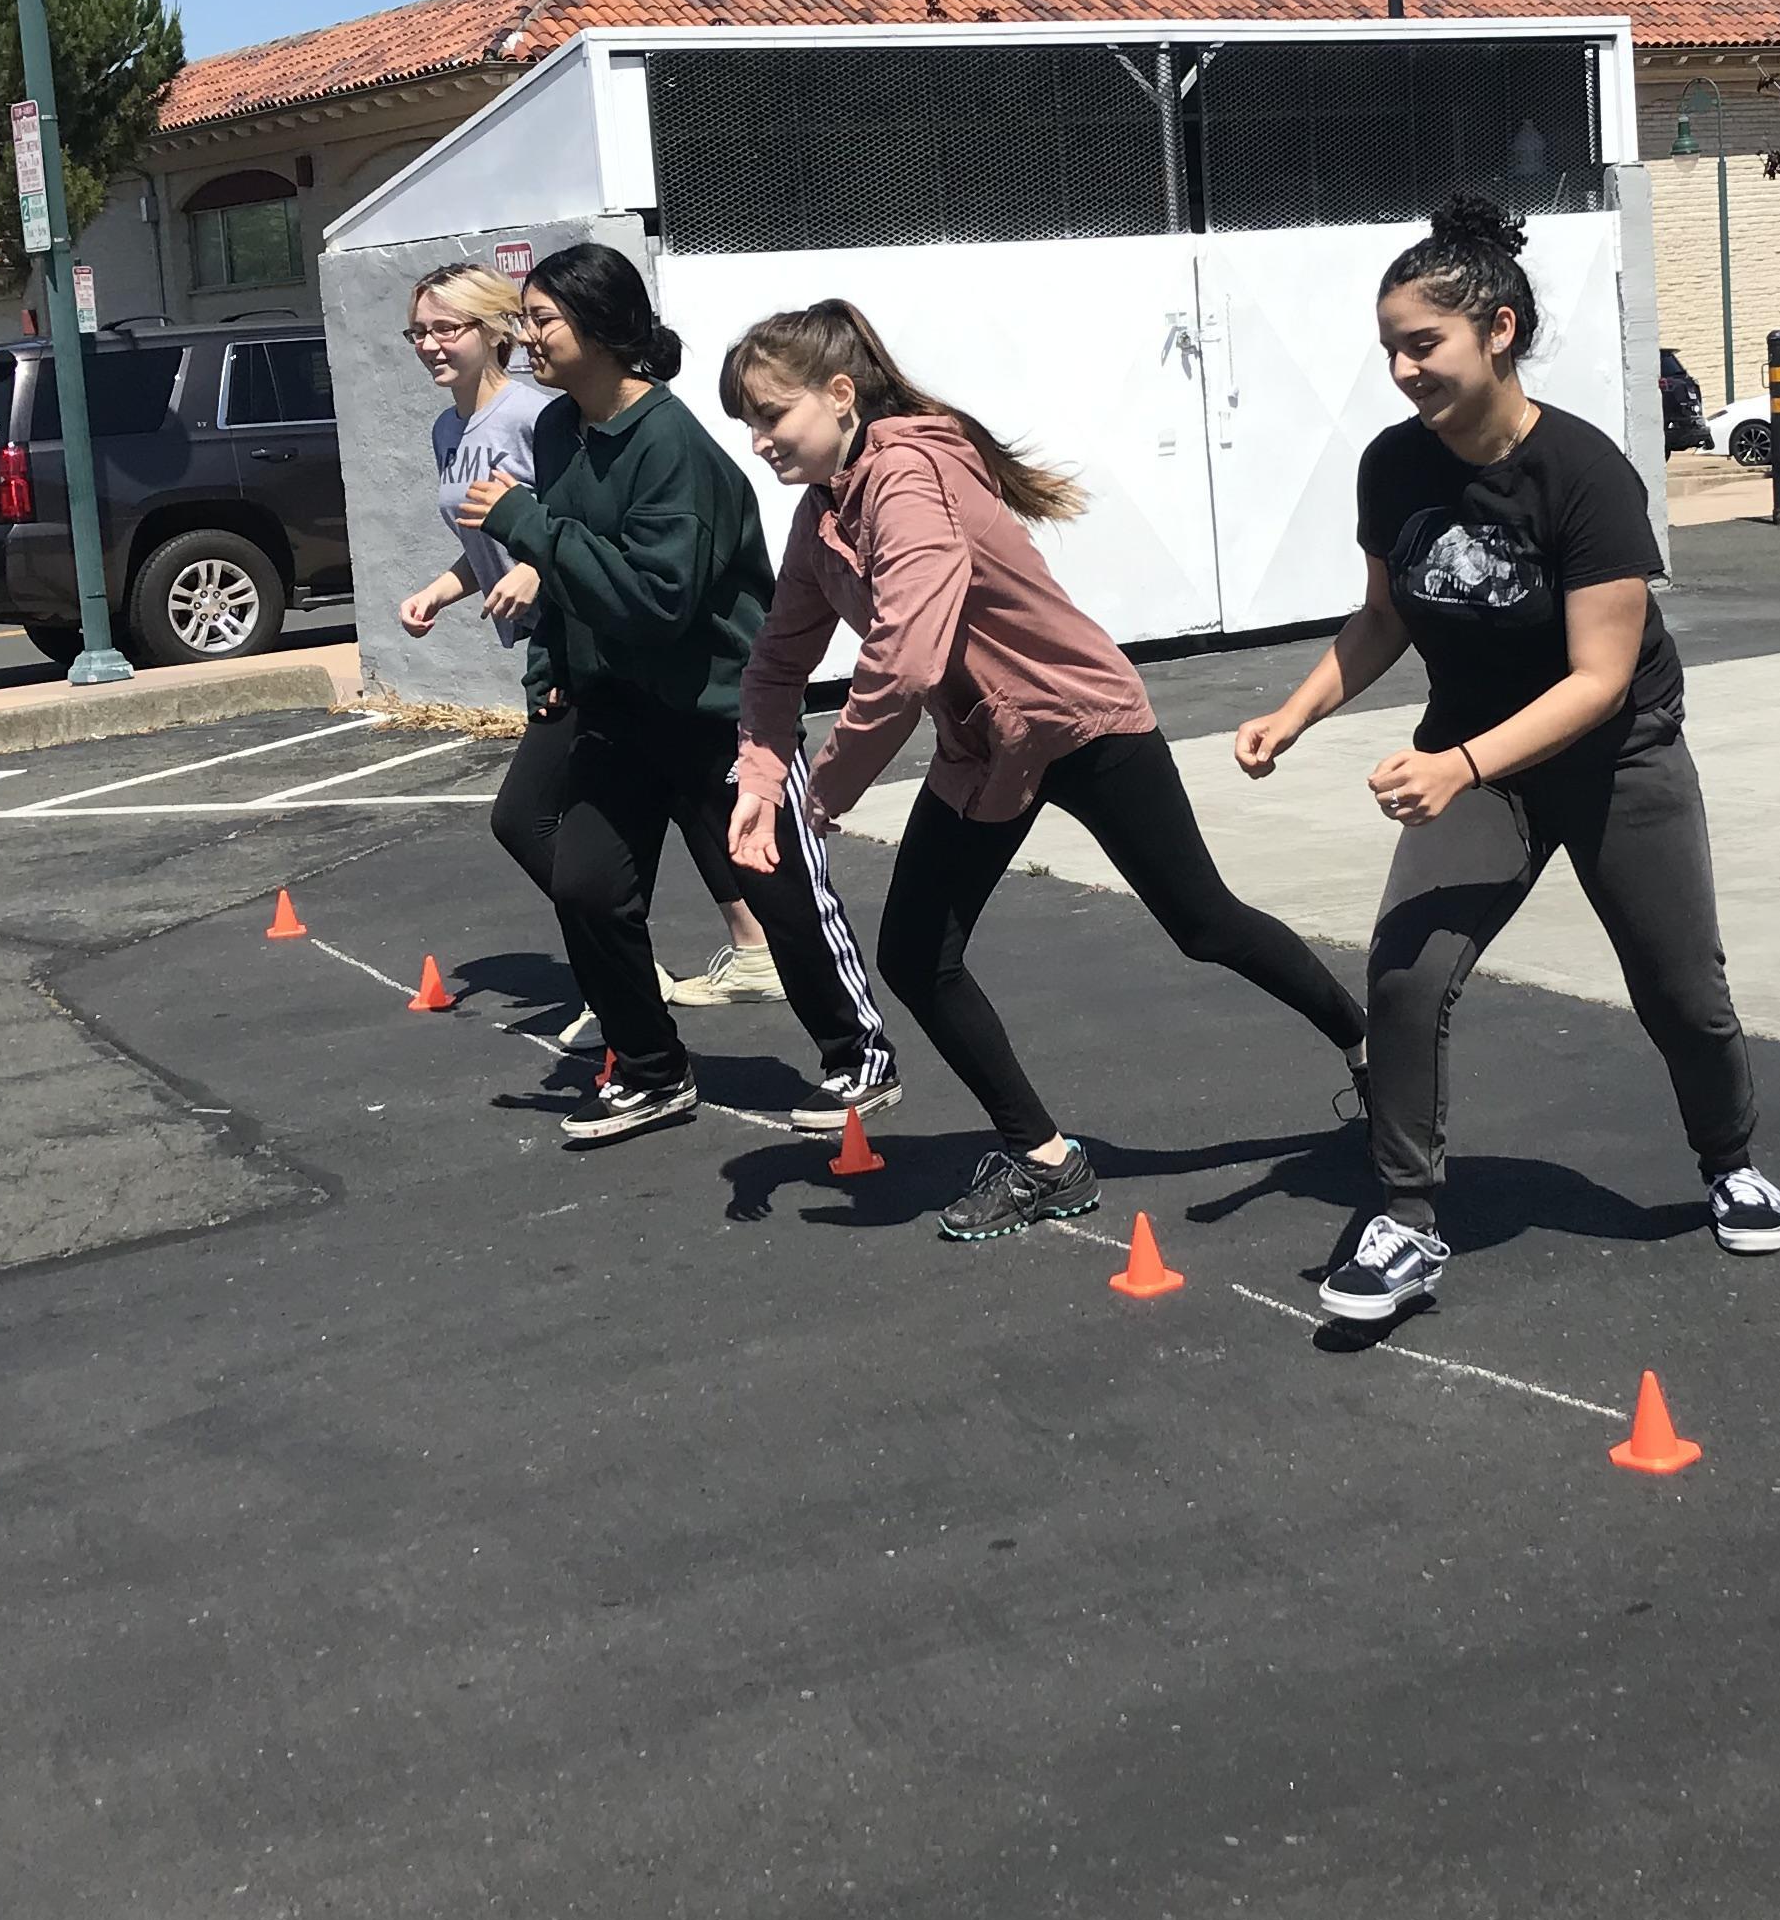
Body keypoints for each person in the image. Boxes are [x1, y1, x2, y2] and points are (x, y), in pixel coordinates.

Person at [1233, 194, 1780, 1319]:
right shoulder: (1395, 469)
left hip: (1615, 756)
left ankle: (1728, 1158)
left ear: (1496, 329)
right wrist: (1294, 713)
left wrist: (1460, 767)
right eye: (1390, 346)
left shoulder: (1582, 475)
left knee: (1684, 994)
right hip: (1475, 754)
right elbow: (1384, 617)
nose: (1402, 369)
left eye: (1422, 343)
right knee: (1404, 975)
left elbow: (1598, 678)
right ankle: (1404, 1221)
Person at [721, 302, 1367, 1241]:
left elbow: (903, 658)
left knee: (1202, 922)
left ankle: (1366, 1045)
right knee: (915, 954)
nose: (760, 440)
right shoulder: (823, 518)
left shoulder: (907, 477)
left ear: (840, 395)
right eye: (749, 421)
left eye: (772, 416)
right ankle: (1046, 1159)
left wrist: (817, 798)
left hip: (1080, 720)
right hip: (989, 749)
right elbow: (777, 663)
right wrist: (754, 782)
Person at [455, 243, 897, 1147]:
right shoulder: (556, 431)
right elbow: (562, 565)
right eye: (526, 319)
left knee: (775, 891)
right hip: (617, 711)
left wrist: (521, 519)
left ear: (607, 331)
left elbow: (656, 601)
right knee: (585, 887)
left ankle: (859, 1054)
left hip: (717, 715)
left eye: (544, 319)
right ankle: (652, 1070)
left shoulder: (671, 448)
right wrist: (551, 668)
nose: (526, 336)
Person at [395, 263, 784, 1025]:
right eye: (419, 332)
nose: (431, 345)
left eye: (448, 328)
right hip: (571, 647)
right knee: (672, 799)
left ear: (491, 331)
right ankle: (730, 953)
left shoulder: (535, 415)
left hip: (599, 638)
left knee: (538, 818)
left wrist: (541, 576)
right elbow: (500, 532)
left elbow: (569, 529)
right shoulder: (455, 430)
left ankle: (653, 970)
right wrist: (443, 591)